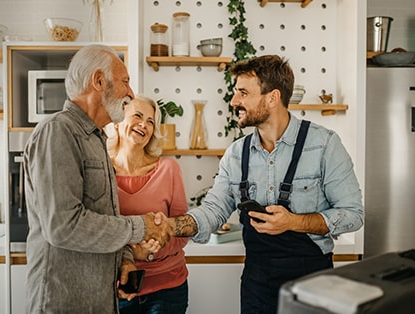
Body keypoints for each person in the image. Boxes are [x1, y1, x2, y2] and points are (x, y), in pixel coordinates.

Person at [156, 55, 364, 314]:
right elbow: (213, 210)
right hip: (258, 284)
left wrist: (293, 222)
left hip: (314, 284)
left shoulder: (324, 145)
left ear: (272, 98)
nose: (234, 102)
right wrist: (171, 226)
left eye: (243, 93)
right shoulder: (236, 154)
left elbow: (353, 215)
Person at [23, 44, 170, 313]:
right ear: (99, 81)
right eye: (125, 81)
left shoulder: (96, 139)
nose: (131, 93)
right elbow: (63, 226)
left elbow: (105, 215)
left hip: (98, 301)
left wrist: (124, 260)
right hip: (63, 303)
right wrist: (141, 227)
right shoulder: (58, 132)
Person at [107, 95, 189, 314]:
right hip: (118, 288)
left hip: (167, 289)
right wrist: (130, 256)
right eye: (138, 116)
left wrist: (150, 252)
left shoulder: (169, 169)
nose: (144, 124)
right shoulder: (102, 172)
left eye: (151, 121)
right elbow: (98, 229)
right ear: (117, 121)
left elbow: (182, 229)